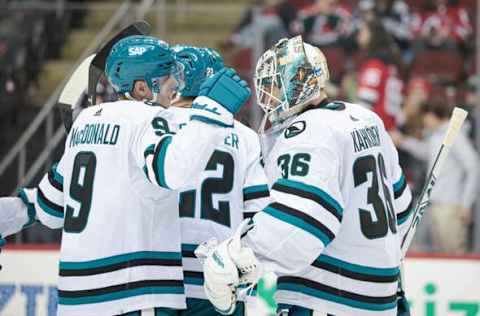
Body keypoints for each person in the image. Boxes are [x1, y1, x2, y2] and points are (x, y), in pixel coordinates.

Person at [0, 35, 252, 315]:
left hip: (76, 299)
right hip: (133, 294)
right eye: (169, 76)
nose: (176, 85)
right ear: (143, 87)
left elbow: (49, 206)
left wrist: (5, 215)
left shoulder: (84, 123)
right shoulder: (148, 118)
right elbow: (175, 171)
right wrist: (213, 112)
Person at [197, 36, 414, 315]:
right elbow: (402, 210)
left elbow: (300, 226)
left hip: (326, 297)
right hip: (379, 298)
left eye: (274, 84)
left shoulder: (307, 133)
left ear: (297, 83)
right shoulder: (364, 118)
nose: (267, 96)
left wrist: (240, 253)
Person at [170, 45, 271, 315]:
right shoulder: (245, 136)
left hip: (159, 279)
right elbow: (259, 212)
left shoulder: (155, 123)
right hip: (220, 278)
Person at [393, 100, 480, 254]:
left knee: (455, 256)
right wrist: (404, 141)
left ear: (433, 115)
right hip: (437, 205)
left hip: (450, 206)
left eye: (426, 116)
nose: (424, 121)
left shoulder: (455, 136)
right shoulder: (438, 136)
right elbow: (426, 152)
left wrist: (466, 203)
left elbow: (474, 166)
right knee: (443, 256)